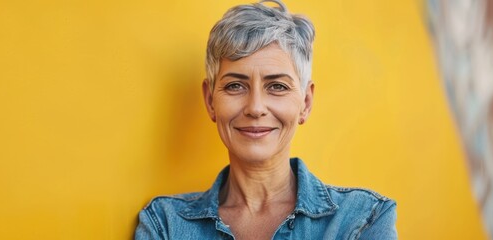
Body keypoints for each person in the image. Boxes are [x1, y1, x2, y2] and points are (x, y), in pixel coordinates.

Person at [135, 0, 397, 239]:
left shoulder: (363, 220)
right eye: (236, 86)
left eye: (277, 86)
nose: (255, 107)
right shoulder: (164, 223)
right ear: (210, 100)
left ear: (305, 102)